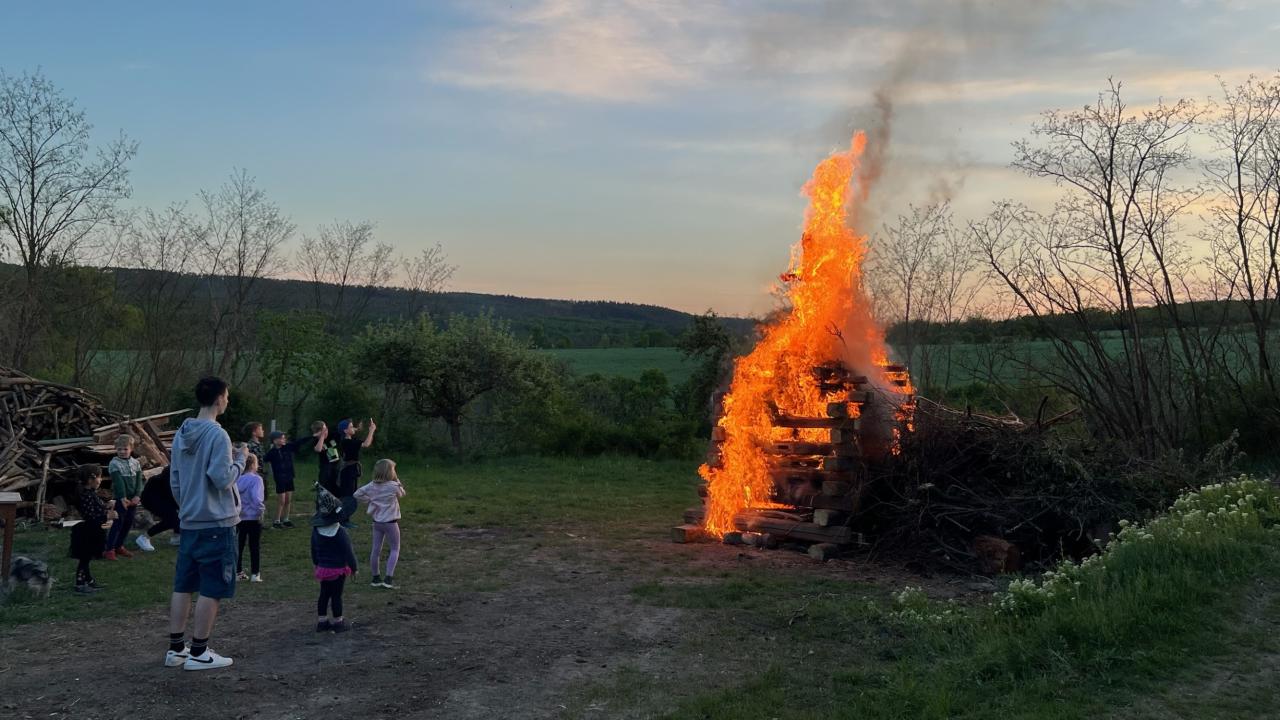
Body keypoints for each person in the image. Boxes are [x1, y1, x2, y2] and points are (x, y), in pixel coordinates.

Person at [166, 376, 246, 671]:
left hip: (189, 521)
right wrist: (241, 460)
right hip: (216, 522)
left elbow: (175, 478)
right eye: (227, 396)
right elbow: (222, 478)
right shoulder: (218, 435)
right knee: (212, 586)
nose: (228, 400)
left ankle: (176, 649)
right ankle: (199, 652)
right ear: (218, 398)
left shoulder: (181, 432)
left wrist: (187, 506)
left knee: (184, 584)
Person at [311, 487, 358, 633]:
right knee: (336, 596)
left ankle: (322, 621)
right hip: (338, 569)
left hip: (323, 568)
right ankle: (338, 622)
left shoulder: (316, 530)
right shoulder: (340, 532)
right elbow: (348, 552)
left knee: (324, 594)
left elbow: (313, 549)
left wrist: (317, 563)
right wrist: (354, 568)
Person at [354, 458, 406, 589]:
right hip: (391, 523)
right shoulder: (393, 486)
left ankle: (375, 578)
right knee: (395, 549)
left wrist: (369, 500)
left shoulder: (372, 485)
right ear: (390, 472)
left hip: (377, 522)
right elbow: (402, 494)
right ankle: (388, 579)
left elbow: (356, 494)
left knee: (375, 550)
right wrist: (397, 481)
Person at [70, 464, 115, 594]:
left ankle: (88, 580)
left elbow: (95, 509)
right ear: (91, 479)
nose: (101, 480)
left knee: (87, 558)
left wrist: (107, 505)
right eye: (99, 477)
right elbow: (91, 516)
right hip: (88, 532)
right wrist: (108, 516)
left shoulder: (90, 493)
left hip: (93, 530)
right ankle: (80, 583)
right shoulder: (86, 495)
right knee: (85, 558)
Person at [264, 430, 317, 529]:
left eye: (284, 438)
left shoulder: (287, 447)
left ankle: (286, 519)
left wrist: (313, 436)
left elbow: (299, 442)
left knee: (288, 500)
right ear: (275, 441)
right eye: (282, 438)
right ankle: (277, 521)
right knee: (282, 500)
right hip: (280, 478)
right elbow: (263, 459)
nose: (284, 439)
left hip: (289, 477)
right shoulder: (271, 453)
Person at [105, 434, 145, 559]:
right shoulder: (114, 463)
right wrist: (122, 497)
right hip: (121, 499)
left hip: (133, 500)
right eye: (119, 449)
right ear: (116, 449)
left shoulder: (136, 463)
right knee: (118, 523)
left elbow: (139, 480)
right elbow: (118, 482)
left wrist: (137, 495)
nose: (122, 451)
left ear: (131, 449)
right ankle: (109, 549)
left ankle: (119, 545)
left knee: (128, 523)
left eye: (125, 449)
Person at [235, 454, 265, 582]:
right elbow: (256, 497)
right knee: (254, 546)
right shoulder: (256, 479)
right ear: (253, 465)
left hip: (239, 516)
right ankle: (255, 573)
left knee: (239, 545)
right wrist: (260, 510)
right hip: (253, 517)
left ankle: (238, 571)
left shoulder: (236, 479)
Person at [335, 418, 377, 498]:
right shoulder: (348, 442)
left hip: (350, 469)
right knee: (349, 494)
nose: (353, 428)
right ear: (345, 431)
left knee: (351, 492)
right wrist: (372, 430)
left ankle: (347, 504)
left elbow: (366, 442)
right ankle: (347, 505)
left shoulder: (346, 440)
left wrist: (358, 428)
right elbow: (366, 444)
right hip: (349, 471)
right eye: (351, 427)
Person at [140, 466, 182, 547]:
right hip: (151, 497)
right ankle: (144, 537)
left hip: (163, 496)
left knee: (176, 517)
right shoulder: (171, 470)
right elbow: (171, 491)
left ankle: (177, 538)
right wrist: (179, 506)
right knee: (172, 518)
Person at [313, 421, 341, 499]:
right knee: (324, 488)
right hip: (325, 467)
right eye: (323, 430)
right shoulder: (317, 440)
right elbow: (318, 449)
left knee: (337, 488)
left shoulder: (333, 435)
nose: (326, 432)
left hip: (337, 466)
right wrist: (322, 436)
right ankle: (323, 504)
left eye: (326, 429)